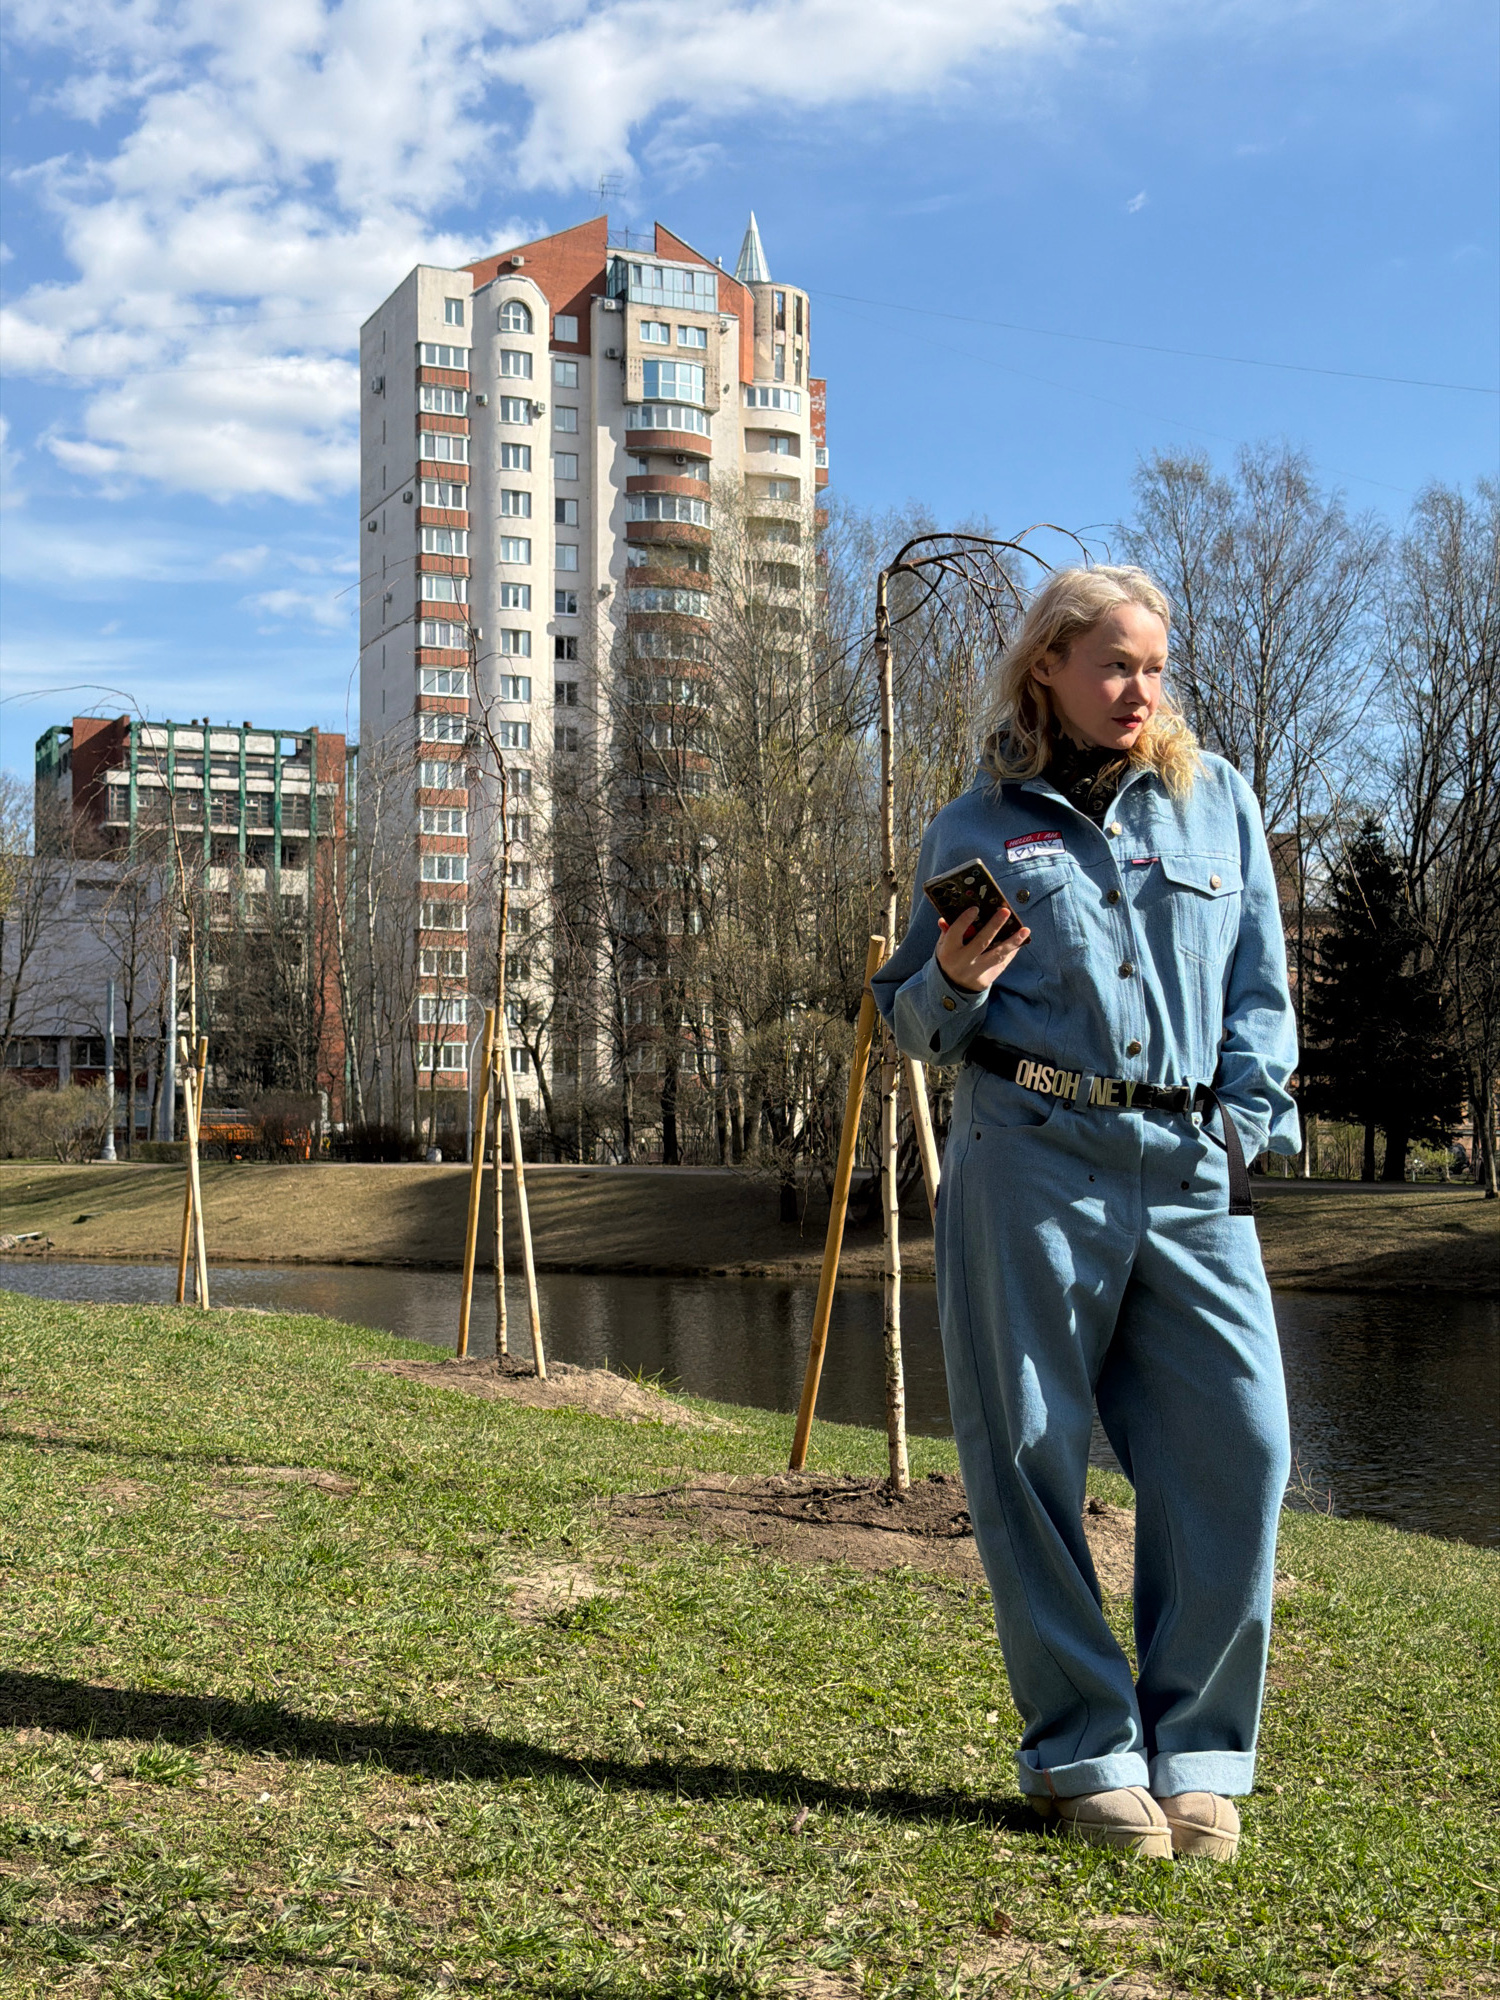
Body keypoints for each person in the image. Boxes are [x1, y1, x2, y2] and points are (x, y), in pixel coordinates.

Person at [872, 565, 1297, 1862]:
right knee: (1030, 1452)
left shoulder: (1217, 801)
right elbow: (911, 1024)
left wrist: (1244, 1127)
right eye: (1115, 664)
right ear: (1047, 665)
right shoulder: (978, 827)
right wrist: (951, 979)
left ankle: (1200, 1752)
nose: (1139, 690)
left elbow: (1261, 992)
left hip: (1190, 1164)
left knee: (1243, 1443)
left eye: (1154, 667)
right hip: (1032, 1158)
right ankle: (1083, 1751)